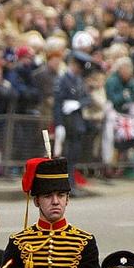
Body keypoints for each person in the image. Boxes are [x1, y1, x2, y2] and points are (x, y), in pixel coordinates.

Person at [0, 158, 102, 268]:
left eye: (61, 195)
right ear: (37, 201)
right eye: (48, 196)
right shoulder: (19, 242)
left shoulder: (84, 241)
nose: (55, 202)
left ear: (68, 199)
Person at [52, 51, 95, 192]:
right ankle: (66, 186)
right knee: (66, 156)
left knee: (74, 156)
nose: (79, 70)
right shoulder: (62, 80)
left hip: (77, 123)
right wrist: (58, 124)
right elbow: (57, 104)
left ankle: (71, 185)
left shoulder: (79, 80)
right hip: (67, 122)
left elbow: (87, 98)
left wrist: (77, 103)